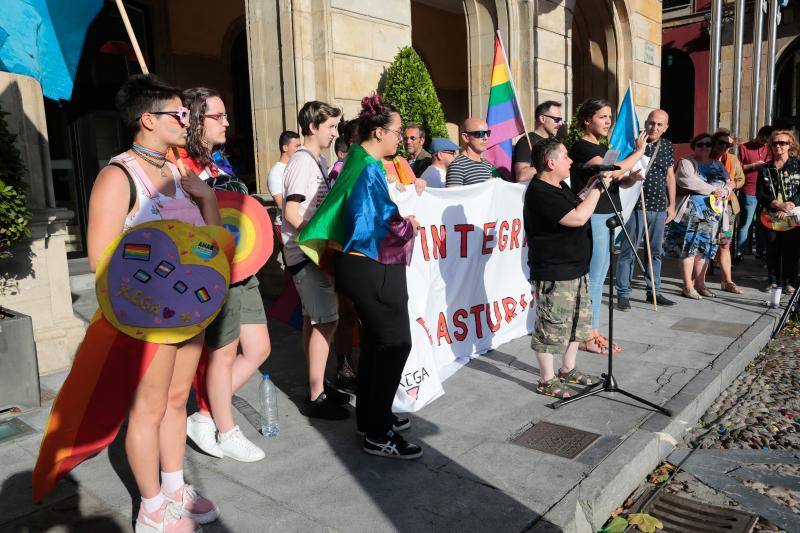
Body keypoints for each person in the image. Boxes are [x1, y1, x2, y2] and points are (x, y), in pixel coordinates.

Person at [87, 74, 221, 532]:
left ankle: (173, 485)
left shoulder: (181, 172)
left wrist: (206, 201)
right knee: (148, 408)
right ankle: (151, 507)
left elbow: (212, 243)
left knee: (178, 399)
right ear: (148, 119)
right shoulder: (117, 175)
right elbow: (101, 259)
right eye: (178, 114)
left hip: (192, 307)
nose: (187, 121)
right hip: (148, 316)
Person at [297, 94, 422, 459]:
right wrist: (407, 225)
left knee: (375, 344)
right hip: (371, 264)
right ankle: (377, 431)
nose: (400, 138)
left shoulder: (356, 158)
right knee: (395, 344)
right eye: (397, 132)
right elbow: (374, 224)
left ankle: (373, 417)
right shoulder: (367, 167)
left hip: (359, 266)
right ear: (380, 132)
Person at [178, 87, 271, 463]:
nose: (227, 122)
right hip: (214, 274)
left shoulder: (217, 163)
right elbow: (185, 232)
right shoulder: (180, 165)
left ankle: (203, 416)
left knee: (259, 348)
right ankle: (227, 429)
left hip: (243, 269)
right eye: (218, 116)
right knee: (223, 354)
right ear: (196, 120)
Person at [524, 139, 610, 398]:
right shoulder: (539, 191)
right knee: (551, 327)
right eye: (565, 157)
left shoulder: (559, 185)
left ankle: (568, 369)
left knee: (577, 324)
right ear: (551, 162)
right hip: (554, 271)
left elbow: (575, 204)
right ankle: (546, 380)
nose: (571, 161)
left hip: (576, 268)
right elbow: (577, 217)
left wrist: (593, 186)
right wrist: (598, 189)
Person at [282, 100, 350, 420]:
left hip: (313, 253)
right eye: (331, 127)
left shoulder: (317, 161)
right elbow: (291, 213)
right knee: (328, 320)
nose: (335, 133)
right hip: (306, 254)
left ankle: (317, 384)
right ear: (312, 127)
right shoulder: (302, 162)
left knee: (314, 319)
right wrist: (317, 244)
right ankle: (316, 396)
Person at [568, 98, 646, 355]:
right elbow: (610, 172)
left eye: (610, 117)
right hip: (595, 215)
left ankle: (593, 330)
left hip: (608, 213)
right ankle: (588, 334)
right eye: (602, 117)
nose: (608, 121)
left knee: (601, 275)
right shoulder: (581, 146)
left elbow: (615, 181)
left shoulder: (601, 146)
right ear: (587, 120)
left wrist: (630, 178)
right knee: (595, 276)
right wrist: (638, 153)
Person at [616, 109, 677, 311]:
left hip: (659, 208)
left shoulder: (667, 146)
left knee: (655, 253)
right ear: (646, 122)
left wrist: (672, 204)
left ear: (666, 127)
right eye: (652, 123)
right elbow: (620, 169)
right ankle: (623, 294)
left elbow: (670, 176)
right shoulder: (633, 141)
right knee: (628, 252)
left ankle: (654, 292)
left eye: (660, 124)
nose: (654, 127)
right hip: (635, 206)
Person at [666, 133, 730, 300]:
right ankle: (688, 285)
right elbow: (687, 181)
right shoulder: (687, 163)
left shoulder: (718, 164)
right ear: (694, 146)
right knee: (688, 249)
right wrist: (713, 190)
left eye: (708, 145)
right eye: (700, 144)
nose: (704, 147)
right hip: (692, 212)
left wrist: (725, 191)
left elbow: (729, 183)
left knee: (706, 250)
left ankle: (701, 284)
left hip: (713, 214)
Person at [757, 130, 800, 297]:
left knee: (791, 250)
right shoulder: (765, 169)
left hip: (793, 214)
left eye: (782, 143)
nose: (778, 146)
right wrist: (776, 204)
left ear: (790, 145)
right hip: (772, 215)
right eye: (775, 143)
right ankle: (773, 281)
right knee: (772, 250)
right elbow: (760, 194)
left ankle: (789, 282)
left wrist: (791, 204)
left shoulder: (798, 165)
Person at [709, 129, 745, 294]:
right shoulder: (705, 156)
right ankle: (696, 281)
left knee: (724, 244)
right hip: (705, 206)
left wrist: (731, 186)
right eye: (722, 143)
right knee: (703, 243)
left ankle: (727, 281)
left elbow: (740, 179)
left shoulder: (732, 160)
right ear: (714, 142)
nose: (725, 147)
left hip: (727, 207)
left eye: (729, 144)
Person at [736, 125, 774, 260]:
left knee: (762, 223)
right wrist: (753, 166)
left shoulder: (770, 148)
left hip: (765, 192)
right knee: (746, 223)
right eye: (762, 140)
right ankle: (739, 252)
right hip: (749, 190)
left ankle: (760, 252)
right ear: (759, 135)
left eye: (766, 142)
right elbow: (738, 168)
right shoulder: (744, 147)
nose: (763, 143)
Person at [513, 100, 563, 182]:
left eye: (561, 120)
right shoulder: (525, 141)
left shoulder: (555, 141)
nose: (560, 123)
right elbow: (521, 175)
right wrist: (547, 166)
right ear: (542, 119)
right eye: (557, 119)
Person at [446, 117, 496, 187]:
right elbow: (453, 196)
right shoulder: (457, 165)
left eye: (487, 133)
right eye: (480, 134)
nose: (485, 138)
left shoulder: (486, 164)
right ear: (466, 138)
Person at [267, 130, 301, 229]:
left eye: (300, 146)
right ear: (285, 148)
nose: (299, 149)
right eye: (296, 146)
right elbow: (281, 203)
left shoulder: (296, 167)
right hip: (284, 226)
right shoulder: (275, 172)